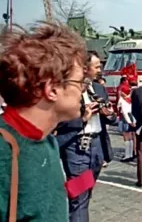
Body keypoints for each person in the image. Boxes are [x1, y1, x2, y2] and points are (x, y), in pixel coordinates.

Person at [0, 22, 86, 222]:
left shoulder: (48, 141)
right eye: (79, 82)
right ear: (52, 89)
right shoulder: (4, 151)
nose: (83, 90)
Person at [56, 50, 116, 222]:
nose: (100, 70)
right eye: (96, 66)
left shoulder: (99, 88)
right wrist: (83, 118)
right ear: (84, 68)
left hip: (97, 148)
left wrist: (108, 114)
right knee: (78, 198)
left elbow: (112, 119)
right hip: (77, 149)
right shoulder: (69, 91)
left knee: (85, 194)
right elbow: (58, 122)